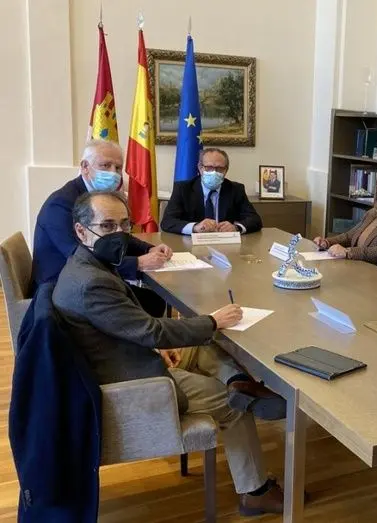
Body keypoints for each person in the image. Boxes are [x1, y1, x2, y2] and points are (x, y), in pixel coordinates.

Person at [53, 191, 286, 515]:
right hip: (136, 383)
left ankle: (238, 381)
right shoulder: (90, 283)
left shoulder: (86, 263)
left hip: (123, 353)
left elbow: (130, 328)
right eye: (107, 226)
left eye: (124, 224)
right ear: (81, 231)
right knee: (233, 402)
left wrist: (174, 338)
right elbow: (152, 331)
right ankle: (255, 492)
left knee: (204, 343)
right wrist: (212, 321)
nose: (119, 234)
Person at [32, 139, 169, 318]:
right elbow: (78, 258)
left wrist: (148, 249)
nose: (113, 173)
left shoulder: (101, 197)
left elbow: (117, 234)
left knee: (153, 300)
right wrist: (138, 263)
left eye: (118, 168)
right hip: (62, 287)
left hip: (90, 277)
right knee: (150, 304)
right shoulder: (60, 204)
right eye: (105, 165)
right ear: (85, 167)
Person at [161, 148, 262, 235]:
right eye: (209, 167)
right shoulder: (183, 189)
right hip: (191, 244)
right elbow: (167, 222)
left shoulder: (235, 189)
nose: (214, 172)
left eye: (219, 168)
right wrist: (195, 227)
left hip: (225, 244)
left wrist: (236, 228)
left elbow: (255, 220)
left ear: (226, 170)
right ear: (200, 168)